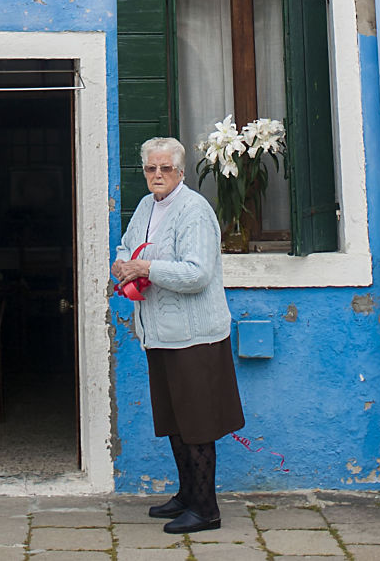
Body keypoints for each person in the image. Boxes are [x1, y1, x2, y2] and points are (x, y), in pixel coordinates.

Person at [111, 136, 244, 534]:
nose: (157, 175)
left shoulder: (194, 210)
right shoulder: (147, 207)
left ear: (181, 172)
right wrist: (122, 264)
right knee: (175, 419)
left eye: (165, 168)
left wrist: (146, 269)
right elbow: (127, 247)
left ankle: (207, 510)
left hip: (194, 336)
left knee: (198, 422)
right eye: (150, 168)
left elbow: (197, 273)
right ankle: (188, 496)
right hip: (160, 334)